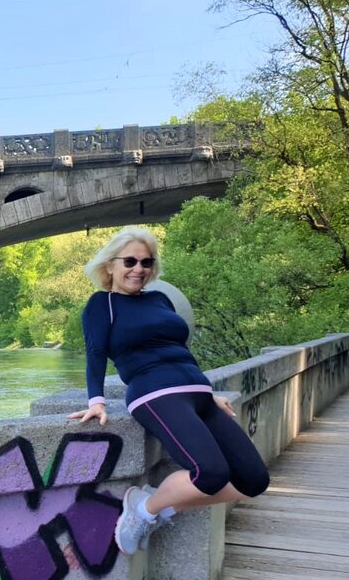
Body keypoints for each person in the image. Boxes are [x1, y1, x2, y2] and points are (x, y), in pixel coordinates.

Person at [68, 226, 270, 555]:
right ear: (110, 265)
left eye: (146, 263)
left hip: (196, 392)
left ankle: (157, 504)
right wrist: (97, 401)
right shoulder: (100, 304)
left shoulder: (160, 299)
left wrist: (207, 390)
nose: (139, 269)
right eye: (130, 261)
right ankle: (142, 514)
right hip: (154, 393)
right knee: (211, 473)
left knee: (253, 480)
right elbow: (95, 354)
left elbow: (180, 350)